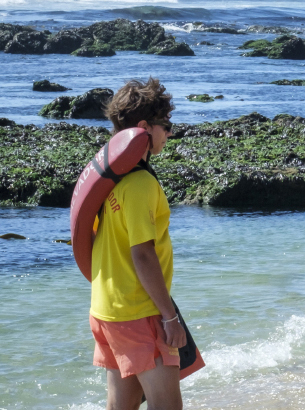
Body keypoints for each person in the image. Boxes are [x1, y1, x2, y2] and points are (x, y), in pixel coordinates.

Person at [90, 78, 202, 410]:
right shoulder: (139, 184)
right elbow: (142, 254)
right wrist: (169, 317)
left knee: (120, 405)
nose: (169, 134)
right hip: (139, 311)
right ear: (144, 128)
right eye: (165, 126)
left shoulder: (110, 177)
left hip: (107, 308)